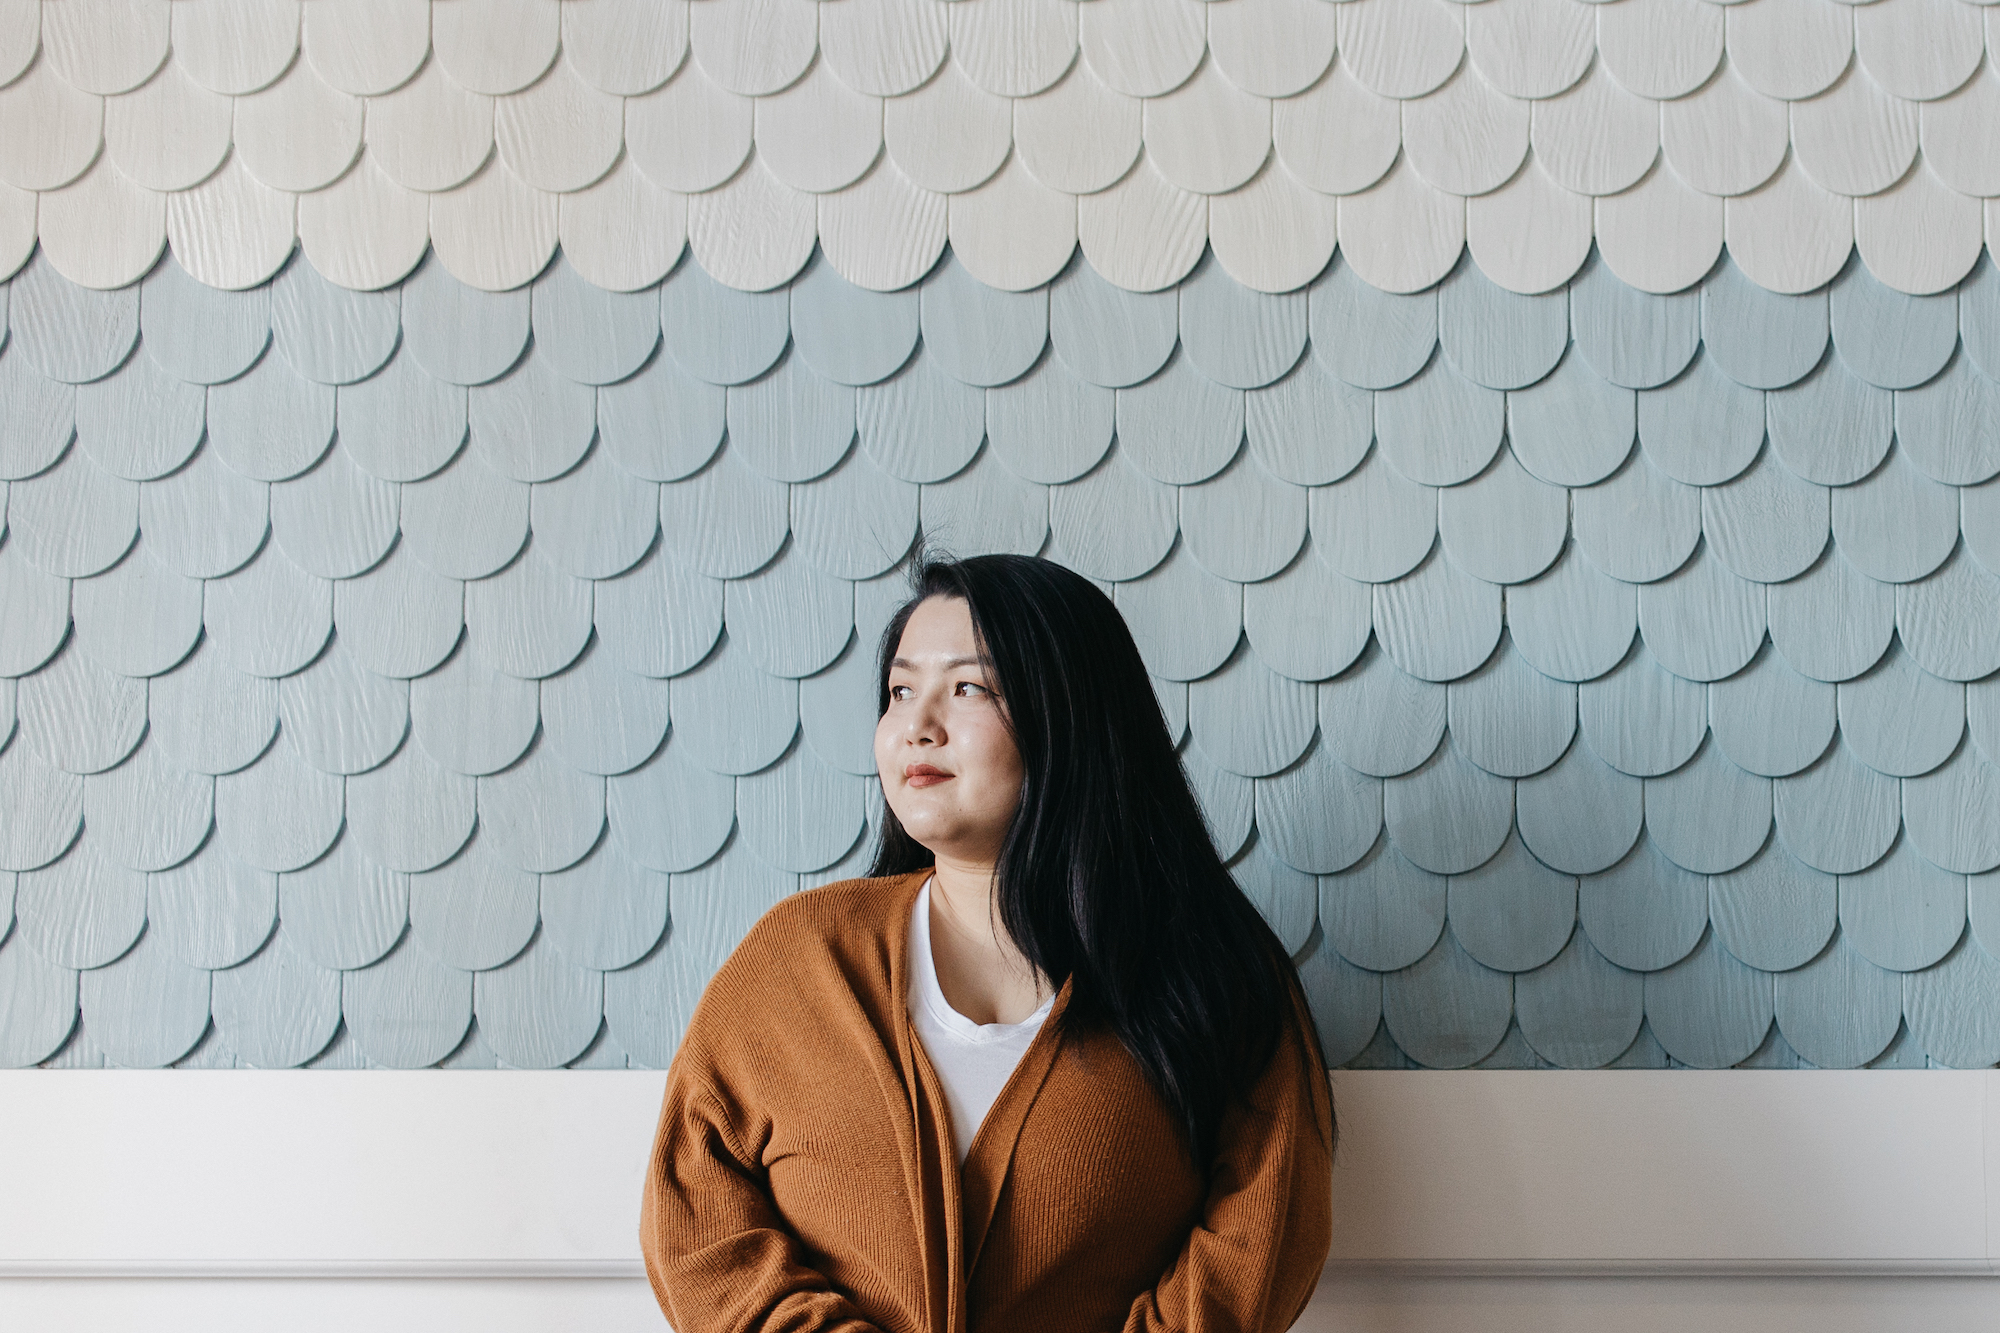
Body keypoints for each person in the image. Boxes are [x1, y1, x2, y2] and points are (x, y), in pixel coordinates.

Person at [641, 553, 1335, 1333]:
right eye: (901, 690)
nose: (917, 724)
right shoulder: (797, 961)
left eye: (967, 687)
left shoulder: (1213, 976)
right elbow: (697, 1212)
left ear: (1070, 713)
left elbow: (1259, 1237)